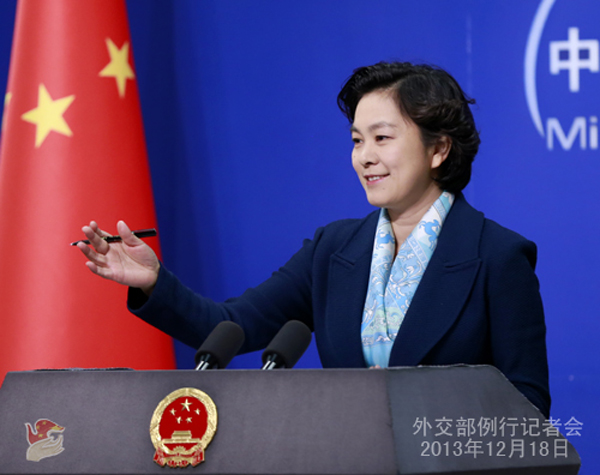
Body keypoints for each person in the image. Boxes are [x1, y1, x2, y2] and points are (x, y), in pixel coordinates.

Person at [77, 61, 550, 417]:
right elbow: (228, 326)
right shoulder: (333, 250)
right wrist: (153, 281)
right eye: (357, 140)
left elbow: (527, 408)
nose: (364, 157)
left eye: (382, 138)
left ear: (439, 149)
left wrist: (417, 405)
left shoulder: (497, 255)